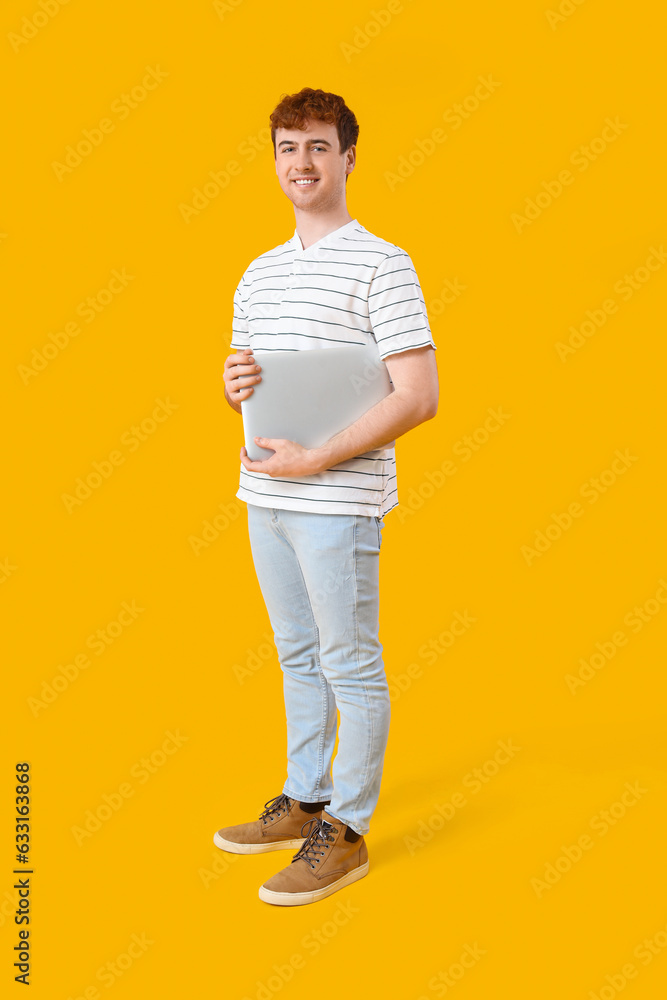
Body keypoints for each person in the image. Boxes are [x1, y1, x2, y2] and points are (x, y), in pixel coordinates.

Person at [215, 87, 439, 906]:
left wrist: (317, 462)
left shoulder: (384, 263)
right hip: (262, 493)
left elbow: (416, 395)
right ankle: (304, 796)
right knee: (295, 654)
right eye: (286, 148)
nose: (299, 163)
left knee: (348, 661)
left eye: (316, 147)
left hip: (337, 501)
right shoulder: (259, 271)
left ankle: (344, 830)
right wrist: (233, 385)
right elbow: (249, 386)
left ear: (347, 157)